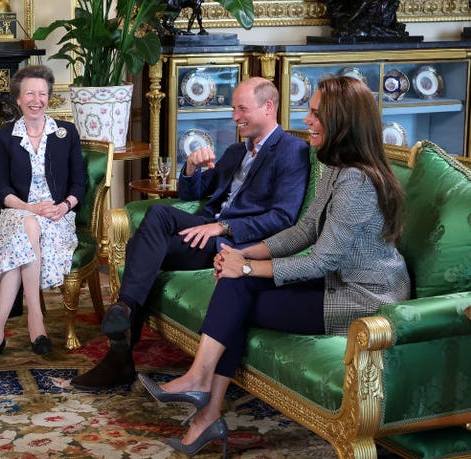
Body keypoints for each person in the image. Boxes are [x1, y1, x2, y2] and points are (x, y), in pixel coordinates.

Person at [139, 76, 409, 456]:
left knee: (238, 292)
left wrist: (245, 269)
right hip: (333, 280)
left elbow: (322, 259)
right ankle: (205, 401)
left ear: (343, 121)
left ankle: (205, 406)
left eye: (316, 114)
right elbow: (302, 232)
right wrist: (244, 254)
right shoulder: (333, 165)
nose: (307, 120)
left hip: (362, 299)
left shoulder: (357, 181)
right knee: (234, 283)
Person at [71, 77, 311, 390]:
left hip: (234, 244)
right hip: (205, 230)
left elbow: (282, 218)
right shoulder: (238, 150)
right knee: (145, 240)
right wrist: (191, 168)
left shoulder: (292, 151)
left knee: (145, 235)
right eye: (234, 109)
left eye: (242, 109)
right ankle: (122, 336)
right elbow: (193, 194)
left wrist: (223, 226)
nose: (235, 116)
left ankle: (121, 341)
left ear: (268, 108)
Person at [0, 65, 87, 366]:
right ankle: (36, 319)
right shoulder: (7, 135)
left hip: (57, 217)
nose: (37, 100)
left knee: (22, 239)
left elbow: (79, 185)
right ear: (19, 100)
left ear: (49, 98)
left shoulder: (66, 133)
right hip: (16, 212)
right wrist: (29, 208)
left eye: (43, 94)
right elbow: (4, 190)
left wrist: (63, 206)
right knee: (27, 224)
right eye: (30, 94)